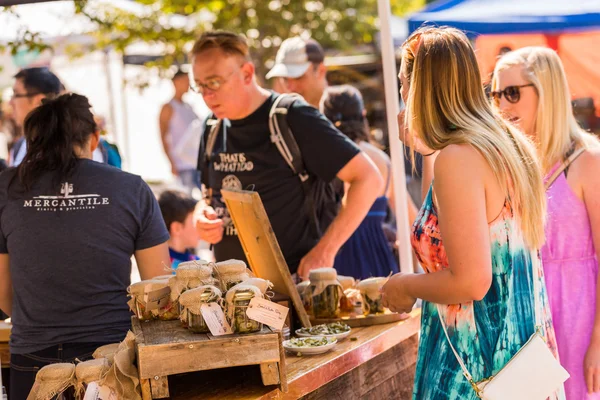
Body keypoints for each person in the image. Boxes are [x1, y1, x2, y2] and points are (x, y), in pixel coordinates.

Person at [381, 27, 564, 399]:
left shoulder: (459, 159)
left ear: (421, 88)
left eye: (404, 83)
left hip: (477, 368)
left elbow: (471, 281)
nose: (401, 95)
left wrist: (403, 285)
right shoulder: (507, 144)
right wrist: (429, 148)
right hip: (522, 362)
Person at [0, 93, 170, 399]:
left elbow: (2, 294)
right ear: (94, 139)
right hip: (110, 357)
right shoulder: (131, 188)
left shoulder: (6, 189)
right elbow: (158, 293)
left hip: (33, 361)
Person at [191, 31, 383, 281]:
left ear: (247, 73)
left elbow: (368, 178)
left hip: (293, 292)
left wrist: (325, 250)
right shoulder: (212, 127)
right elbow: (208, 196)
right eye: (200, 85)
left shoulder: (291, 117)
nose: (207, 95)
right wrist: (200, 215)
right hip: (232, 295)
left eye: (214, 82)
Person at [493, 46, 600, 399]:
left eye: (511, 93)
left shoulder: (589, 162)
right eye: (495, 94)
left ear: (547, 91)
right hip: (525, 320)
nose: (502, 106)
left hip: (579, 318)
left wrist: (599, 340)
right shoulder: (510, 168)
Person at [320, 85, 417, 279]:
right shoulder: (382, 160)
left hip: (335, 256)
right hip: (378, 259)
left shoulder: (327, 158)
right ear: (363, 115)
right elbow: (412, 220)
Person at [8, 67, 62, 167]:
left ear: (39, 101)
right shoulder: (19, 147)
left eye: (16, 95)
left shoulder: (70, 147)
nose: (10, 102)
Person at [159, 69, 201, 191]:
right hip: (182, 165)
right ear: (176, 82)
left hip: (196, 163)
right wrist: (171, 162)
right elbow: (163, 136)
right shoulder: (168, 108)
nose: (188, 84)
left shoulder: (189, 107)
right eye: (185, 81)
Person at [266, 36, 328, 108]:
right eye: (285, 79)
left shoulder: (342, 112)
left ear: (321, 71)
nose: (291, 88)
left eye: (298, 77)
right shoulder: (279, 116)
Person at [159, 190, 202, 269]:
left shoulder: (196, 261)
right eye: (194, 221)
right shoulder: (164, 268)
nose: (200, 225)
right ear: (177, 228)